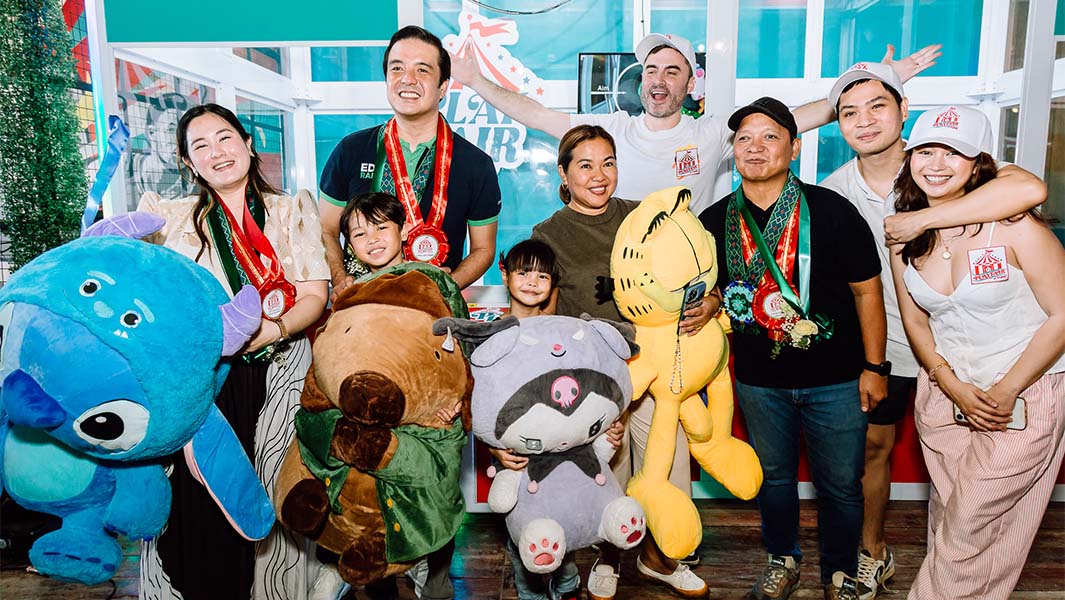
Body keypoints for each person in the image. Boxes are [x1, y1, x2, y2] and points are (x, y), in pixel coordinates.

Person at [819, 64, 1049, 592]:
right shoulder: (835, 190)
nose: (865, 120)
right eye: (849, 113)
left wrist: (921, 219)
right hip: (891, 346)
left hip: (974, 348)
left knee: (972, 494)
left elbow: (1027, 187)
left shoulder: (945, 159)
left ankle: (949, 573)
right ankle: (873, 551)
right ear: (838, 126)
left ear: (904, 112)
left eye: (879, 105)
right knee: (877, 454)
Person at [137, 103, 330, 600]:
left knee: (271, 487)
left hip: (278, 371)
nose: (216, 152)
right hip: (201, 382)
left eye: (224, 138)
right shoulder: (167, 219)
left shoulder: (292, 209)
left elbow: (314, 295)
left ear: (248, 144)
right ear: (188, 163)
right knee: (196, 496)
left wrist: (276, 329)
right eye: (200, 146)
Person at [699, 98, 885, 600]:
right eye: (744, 139)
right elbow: (711, 288)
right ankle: (783, 559)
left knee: (841, 484)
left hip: (838, 377)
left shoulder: (831, 209)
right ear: (732, 151)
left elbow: (868, 291)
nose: (755, 148)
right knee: (774, 480)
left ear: (795, 146)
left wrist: (875, 367)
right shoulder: (713, 220)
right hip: (760, 380)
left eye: (770, 137)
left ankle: (841, 572)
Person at [451, 32, 940, 216]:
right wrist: (474, 80)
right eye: (651, 71)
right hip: (624, 280)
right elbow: (532, 112)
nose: (659, 80)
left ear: (690, 86)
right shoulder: (610, 132)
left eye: (672, 71)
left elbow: (798, 117)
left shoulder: (712, 133)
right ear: (641, 83)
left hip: (694, 287)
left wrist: (879, 79)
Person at [889, 106, 1065, 600]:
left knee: (964, 532)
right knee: (958, 523)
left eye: (953, 152)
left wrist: (1006, 389)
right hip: (945, 397)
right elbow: (916, 320)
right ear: (910, 158)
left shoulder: (1015, 226)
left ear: (978, 164)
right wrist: (949, 384)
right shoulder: (907, 234)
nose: (937, 164)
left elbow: (1062, 315)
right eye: (926, 150)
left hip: (1021, 397)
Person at [531, 125, 714, 600]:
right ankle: (608, 555)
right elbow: (545, 318)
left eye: (607, 163)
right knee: (607, 471)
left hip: (656, 369)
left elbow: (695, 269)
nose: (598, 176)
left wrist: (711, 300)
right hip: (595, 380)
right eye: (585, 165)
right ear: (564, 174)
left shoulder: (643, 216)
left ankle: (660, 558)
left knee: (666, 463)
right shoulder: (548, 234)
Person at [306, 190, 464, 600]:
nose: (372, 238)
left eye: (381, 227)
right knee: (373, 494)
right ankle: (374, 578)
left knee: (432, 492)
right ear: (349, 245)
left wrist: (458, 396)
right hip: (373, 414)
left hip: (428, 414)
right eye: (359, 233)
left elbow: (463, 341)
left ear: (403, 228)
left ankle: (434, 576)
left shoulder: (434, 280)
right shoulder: (351, 294)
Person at [319, 25, 501, 296]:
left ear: (442, 87)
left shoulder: (475, 164)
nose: (408, 79)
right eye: (397, 68)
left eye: (422, 70)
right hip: (361, 305)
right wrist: (340, 277)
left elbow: (483, 249)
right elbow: (326, 229)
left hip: (433, 312)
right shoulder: (351, 149)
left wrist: (447, 286)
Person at [486, 239, 582, 600]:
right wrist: (495, 449)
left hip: (560, 451)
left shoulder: (562, 330)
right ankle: (530, 593)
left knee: (563, 520)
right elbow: (480, 400)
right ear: (505, 272)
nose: (531, 281)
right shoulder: (491, 333)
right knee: (521, 529)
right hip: (515, 454)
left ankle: (568, 580)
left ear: (552, 284)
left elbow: (580, 387)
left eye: (542, 276)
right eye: (523, 272)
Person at [133, 91, 193, 200]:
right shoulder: (127, 171)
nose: (182, 139)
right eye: (171, 129)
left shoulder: (194, 180)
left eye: (186, 132)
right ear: (151, 133)